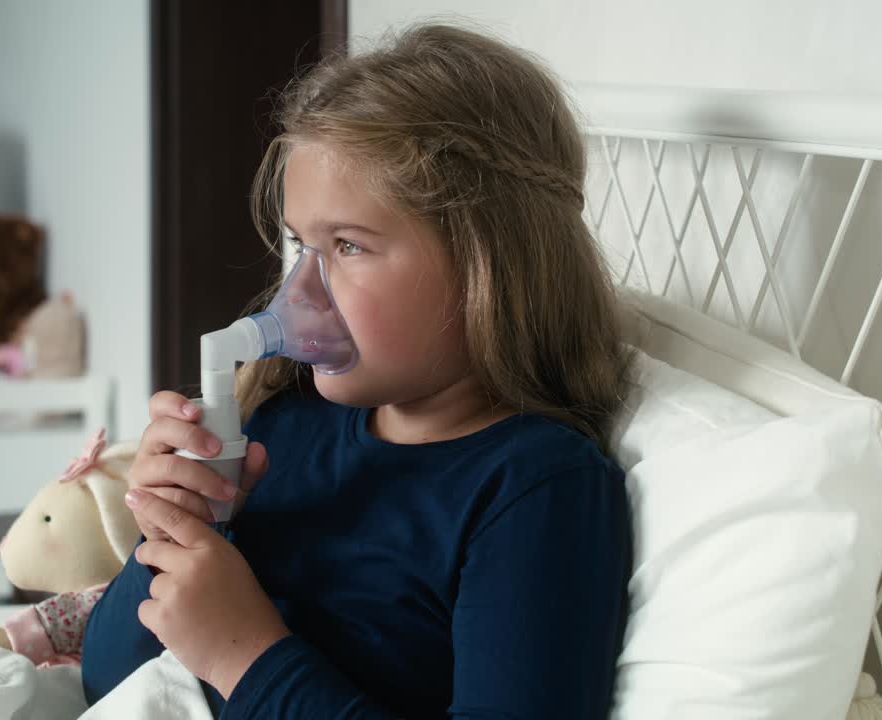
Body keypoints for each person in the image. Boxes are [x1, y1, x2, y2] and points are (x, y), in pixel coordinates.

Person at [82, 22, 634, 719]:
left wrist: (244, 657)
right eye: (300, 244)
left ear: (487, 265)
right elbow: (104, 681)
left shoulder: (532, 489)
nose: (299, 293)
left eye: (348, 245)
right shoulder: (281, 426)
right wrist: (176, 531)